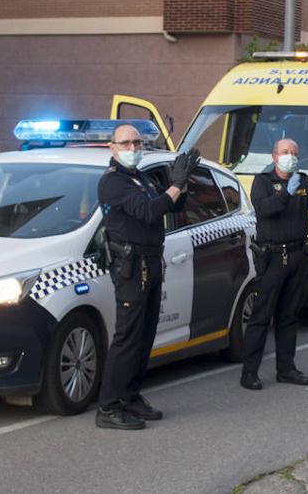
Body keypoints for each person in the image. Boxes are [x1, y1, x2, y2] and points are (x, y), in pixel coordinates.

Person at [93, 125, 197, 431]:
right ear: (112, 148)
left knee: (145, 333)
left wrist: (183, 182)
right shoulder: (113, 182)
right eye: (125, 143)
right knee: (127, 336)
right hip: (130, 264)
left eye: (137, 142)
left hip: (150, 261)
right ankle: (109, 406)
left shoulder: (140, 177)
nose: (132, 147)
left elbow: (172, 204)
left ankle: (131, 395)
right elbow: (150, 212)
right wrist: (175, 185)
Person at [241, 138, 308, 391]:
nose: (290, 156)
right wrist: (285, 195)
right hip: (273, 257)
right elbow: (264, 209)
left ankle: (286, 368)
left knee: (289, 315)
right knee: (261, 315)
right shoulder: (263, 181)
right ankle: (249, 372)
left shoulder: (300, 179)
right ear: (274, 156)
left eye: (294, 152)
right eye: (285, 152)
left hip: (297, 255)